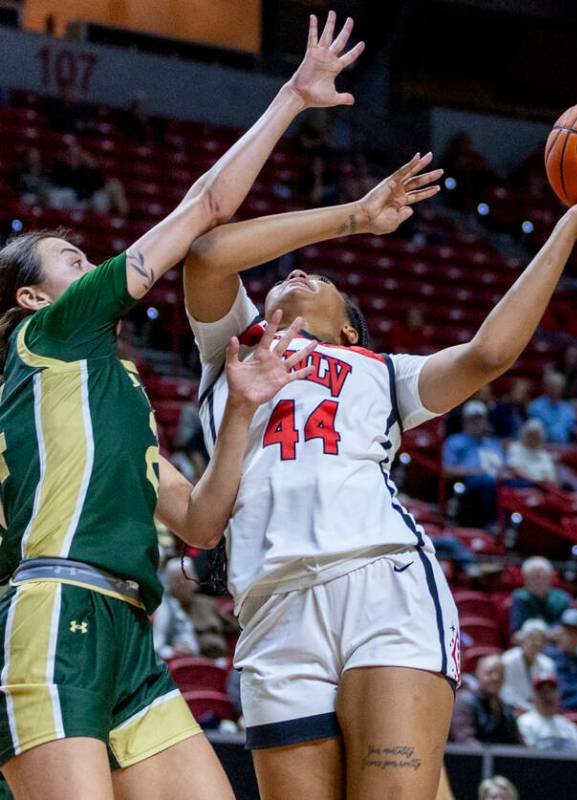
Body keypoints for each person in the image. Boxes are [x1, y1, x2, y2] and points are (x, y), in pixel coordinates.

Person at [182, 96, 577, 798]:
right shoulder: (232, 348)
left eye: (321, 281)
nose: (296, 274)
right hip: (272, 603)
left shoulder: (382, 370)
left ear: (350, 332)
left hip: (382, 582)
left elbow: (491, 351)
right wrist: (354, 218)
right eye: (290, 275)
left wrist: (569, 227)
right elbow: (209, 252)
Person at [0, 12, 344, 798]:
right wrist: (291, 95)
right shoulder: (50, 334)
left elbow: (198, 524)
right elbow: (206, 210)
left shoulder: (113, 389)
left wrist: (244, 411)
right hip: (55, 608)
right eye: (72, 259)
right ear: (29, 296)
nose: (90, 265)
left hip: (129, 632)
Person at [443, 400, 505, 526]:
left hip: (496, 480)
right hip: (467, 483)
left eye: (480, 419)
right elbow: (447, 471)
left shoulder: (493, 444)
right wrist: (474, 471)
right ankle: (491, 523)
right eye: (472, 419)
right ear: (464, 421)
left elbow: (504, 468)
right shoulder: (455, 441)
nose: (476, 423)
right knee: (487, 482)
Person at [449, 656, 521, 747]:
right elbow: (465, 741)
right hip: (471, 759)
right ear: (478, 674)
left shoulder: (507, 710)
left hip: (500, 759)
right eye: (489, 673)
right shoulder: (464, 702)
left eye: (500, 674)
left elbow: (517, 744)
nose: (496, 678)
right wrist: (491, 758)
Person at [515, 674, 577, 753]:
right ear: (534, 697)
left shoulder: (569, 726)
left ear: (559, 695)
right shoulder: (524, 722)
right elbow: (529, 754)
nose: (547, 696)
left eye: (551, 691)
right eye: (542, 691)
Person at [500, 619, 556, 712]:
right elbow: (505, 692)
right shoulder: (508, 660)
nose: (536, 643)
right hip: (512, 708)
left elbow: (548, 694)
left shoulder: (548, 664)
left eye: (541, 640)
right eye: (532, 638)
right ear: (523, 639)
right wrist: (527, 708)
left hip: (538, 711)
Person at [153, 558, 202, 659]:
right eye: (177, 580)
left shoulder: (167, 601)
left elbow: (183, 630)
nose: (182, 584)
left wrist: (185, 645)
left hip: (162, 661)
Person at [509, 556, 571, 632]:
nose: (538, 582)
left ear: (550, 578)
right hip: (527, 641)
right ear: (525, 580)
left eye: (541, 577)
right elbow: (515, 632)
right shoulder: (519, 597)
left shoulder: (562, 598)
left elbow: (566, 630)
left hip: (554, 641)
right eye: (533, 578)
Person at [527, 371, 577, 445]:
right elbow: (534, 431)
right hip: (542, 446)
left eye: (558, 386)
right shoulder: (536, 406)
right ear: (546, 387)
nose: (555, 389)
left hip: (564, 448)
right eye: (552, 386)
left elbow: (572, 432)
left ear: (562, 389)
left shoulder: (568, 409)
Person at [505, 419, 558, 485]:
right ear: (526, 434)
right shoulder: (515, 447)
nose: (534, 438)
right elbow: (515, 470)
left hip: (543, 486)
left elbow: (551, 478)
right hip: (523, 483)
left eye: (537, 435)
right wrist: (534, 481)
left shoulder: (545, 455)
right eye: (532, 435)